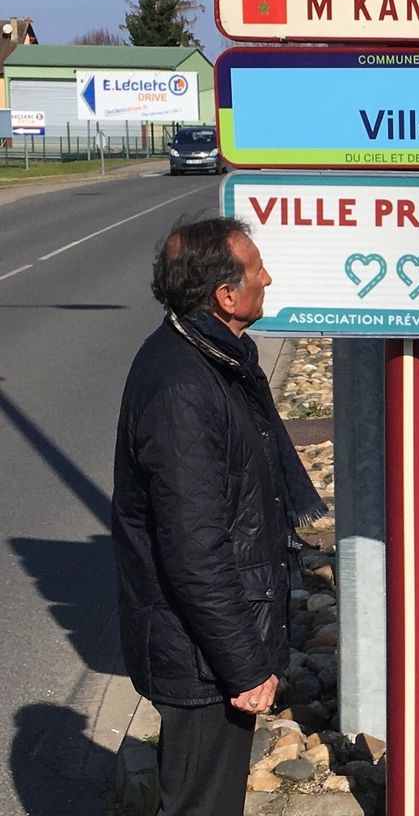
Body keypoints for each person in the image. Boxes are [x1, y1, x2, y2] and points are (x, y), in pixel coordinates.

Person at [112, 216, 326, 816]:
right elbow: (193, 546)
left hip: (201, 644)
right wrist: (243, 664)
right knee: (201, 805)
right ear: (224, 296)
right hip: (199, 653)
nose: (269, 277)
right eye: (257, 270)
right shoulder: (183, 384)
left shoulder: (210, 354)